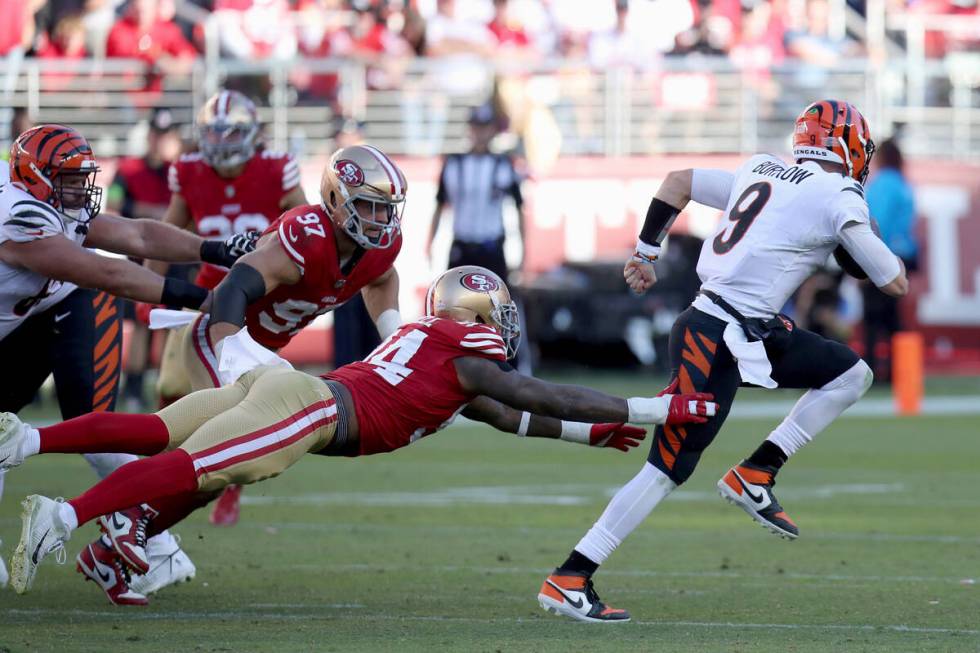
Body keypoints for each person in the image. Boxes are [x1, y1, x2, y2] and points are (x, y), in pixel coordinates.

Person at [3, 265, 718, 604]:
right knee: (193, 466)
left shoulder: (434, 346)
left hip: (288, 390)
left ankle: (30, 448)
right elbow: (536, 391)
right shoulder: (467, 354)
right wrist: (648, 411)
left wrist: (587, 434)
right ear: (477, 312)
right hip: (311, 405)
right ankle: (63, 516)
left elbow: (510, 414)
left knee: (157, 431)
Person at [537, 100, 909, 623]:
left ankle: (758, 471)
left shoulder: (762, 167)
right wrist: (861, 226)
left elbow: (677, 181)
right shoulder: (837, 193)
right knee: (665, 470)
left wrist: (646, 252)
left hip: (747, 328)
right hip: (713, 335)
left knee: (851, 372)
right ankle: (570, 576)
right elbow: (894, 281)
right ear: (845, 146)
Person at [0, 123, 259, 594]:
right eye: (68, 179)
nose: (79, 189)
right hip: (28, 317)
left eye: (81, 177)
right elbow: (104, 269)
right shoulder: (16, 216)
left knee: (91, 426)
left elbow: (135, 237)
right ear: (34, 177)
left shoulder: (42, 199)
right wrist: (203, 299)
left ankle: (153, 544)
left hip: (66, 302)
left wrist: (212, 249)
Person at [168, 143, 406, 525]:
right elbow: (232, 289)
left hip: (266, 352)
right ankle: (131, 513)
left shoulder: (380, 246)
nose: (381, 219)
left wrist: (393, 335)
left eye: (387, 208)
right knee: (218, 448)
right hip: (221, 340)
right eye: (368, 205)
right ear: (335, 198)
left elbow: (381, 277)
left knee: (236, 455)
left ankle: (137, 515)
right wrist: (234, 362)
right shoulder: (307, 235)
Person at [148, 89, 307, 528]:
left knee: (230, 394)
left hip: (255, 304)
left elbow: (310, 229)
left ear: (251, 133)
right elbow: (163, 233)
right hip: (205, 298)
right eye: (213, 132)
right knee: (170, 385)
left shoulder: (276, 170)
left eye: (230, 131)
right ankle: (160, 466)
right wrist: (149, 287)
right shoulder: (191, 171)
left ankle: (224, 481)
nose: (220, 141)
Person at [107, 107, 188, 411]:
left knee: (172, 324)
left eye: (165, 135)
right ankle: (134, 388)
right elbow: (114, 203)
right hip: (140, 256)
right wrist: (151, 214)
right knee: (142, 323)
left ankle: (166, 387)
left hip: (174, 258)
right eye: (156, 134)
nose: (160, 141)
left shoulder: (178, 170)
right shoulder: (128, 170)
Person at [427, 104, 525, 284]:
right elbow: (440, 205)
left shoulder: (504, 165)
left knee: (498, 305)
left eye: (485, 127)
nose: (480, 134)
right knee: (455, 305)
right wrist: (430, 244)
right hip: (461, 247)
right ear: (469, 129)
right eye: (476, 127)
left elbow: (519, 208)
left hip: (492, 248)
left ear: (493, 130)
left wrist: (523, 252)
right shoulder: (453, 164)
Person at [860, 138, 917, 383]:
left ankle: (874, 371)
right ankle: (899, 371)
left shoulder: (881, 184)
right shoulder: (904, 185)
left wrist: (868, 262)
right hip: (904, 253)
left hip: (883, 253)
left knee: (873, 318)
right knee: (892, 317)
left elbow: (876, 223)